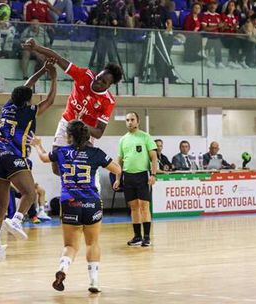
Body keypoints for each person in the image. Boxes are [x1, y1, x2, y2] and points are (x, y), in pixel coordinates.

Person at [31, 120, 122, 293]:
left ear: (69, 136)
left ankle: (63, 269)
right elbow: (117, 169)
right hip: (91, 202)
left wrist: (38, 145)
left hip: (69, 203)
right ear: (87, 136)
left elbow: (44, 158)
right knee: (92, 243)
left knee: (70, 246)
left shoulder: (61, 151)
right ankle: (94, 282)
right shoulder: (96, 153)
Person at [0, 59, 57, 261]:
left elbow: (27, 85)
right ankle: (17, 220)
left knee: (1, 206)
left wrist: (41, 70)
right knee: (29, 192)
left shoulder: (7, 106)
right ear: (28, 100)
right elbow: (50, 101)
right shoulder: (28, 111)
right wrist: (52, 78)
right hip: (13, 156)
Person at [22, 38, 122, 176]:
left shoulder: (108, 101)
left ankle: (88, 183)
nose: (97, 81)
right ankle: (71, 180)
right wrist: (36, 48)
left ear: (109, 86)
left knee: (85, 163)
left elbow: (99, 133)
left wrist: (80, 126)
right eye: (98, 77)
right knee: (56, 169)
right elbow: (58, 58)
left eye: (103, 82)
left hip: (85, 131)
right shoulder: (84, 75)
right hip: (66, 122)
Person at [117, 112, 157, 247]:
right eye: (127, 120)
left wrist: (153, 175)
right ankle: (137, 236)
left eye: (132, 119)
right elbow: (119, 161)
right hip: (128, 176)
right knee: (134, 207)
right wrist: (118, 178)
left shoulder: (146, 137)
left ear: (138, 121)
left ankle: (146, 237)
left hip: (142, 176)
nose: (129, 122)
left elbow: (154, 157)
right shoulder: (123, 140)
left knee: (144, 206)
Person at [201, 0, 224, 68]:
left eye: (214, 4)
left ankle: (218, 62)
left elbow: (220, 29)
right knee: (212, 41)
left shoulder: (218, 15)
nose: (213, 6)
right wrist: (217, 26)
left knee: (218, 42)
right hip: (207, 36)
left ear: (217, 6)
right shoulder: (205, 14)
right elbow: (205, 28)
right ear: (208, 5)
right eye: (211, 4)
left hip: (216, 36)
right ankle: (207, 61)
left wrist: (223, 26)